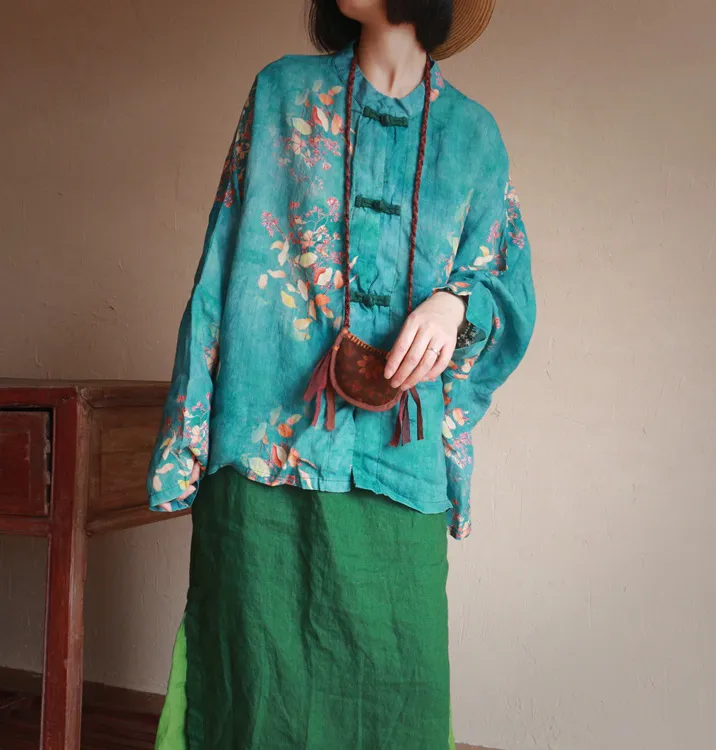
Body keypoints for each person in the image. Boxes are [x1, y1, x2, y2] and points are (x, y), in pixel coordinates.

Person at [148, 0, 535, 747]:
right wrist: (187, 441)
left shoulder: (474, 137)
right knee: (248, 702)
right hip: (263, 461)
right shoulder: (281, 93)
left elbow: (508, 290)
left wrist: (457, 303)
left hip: (398, 467)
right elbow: (220, 262)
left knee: (398, 704)